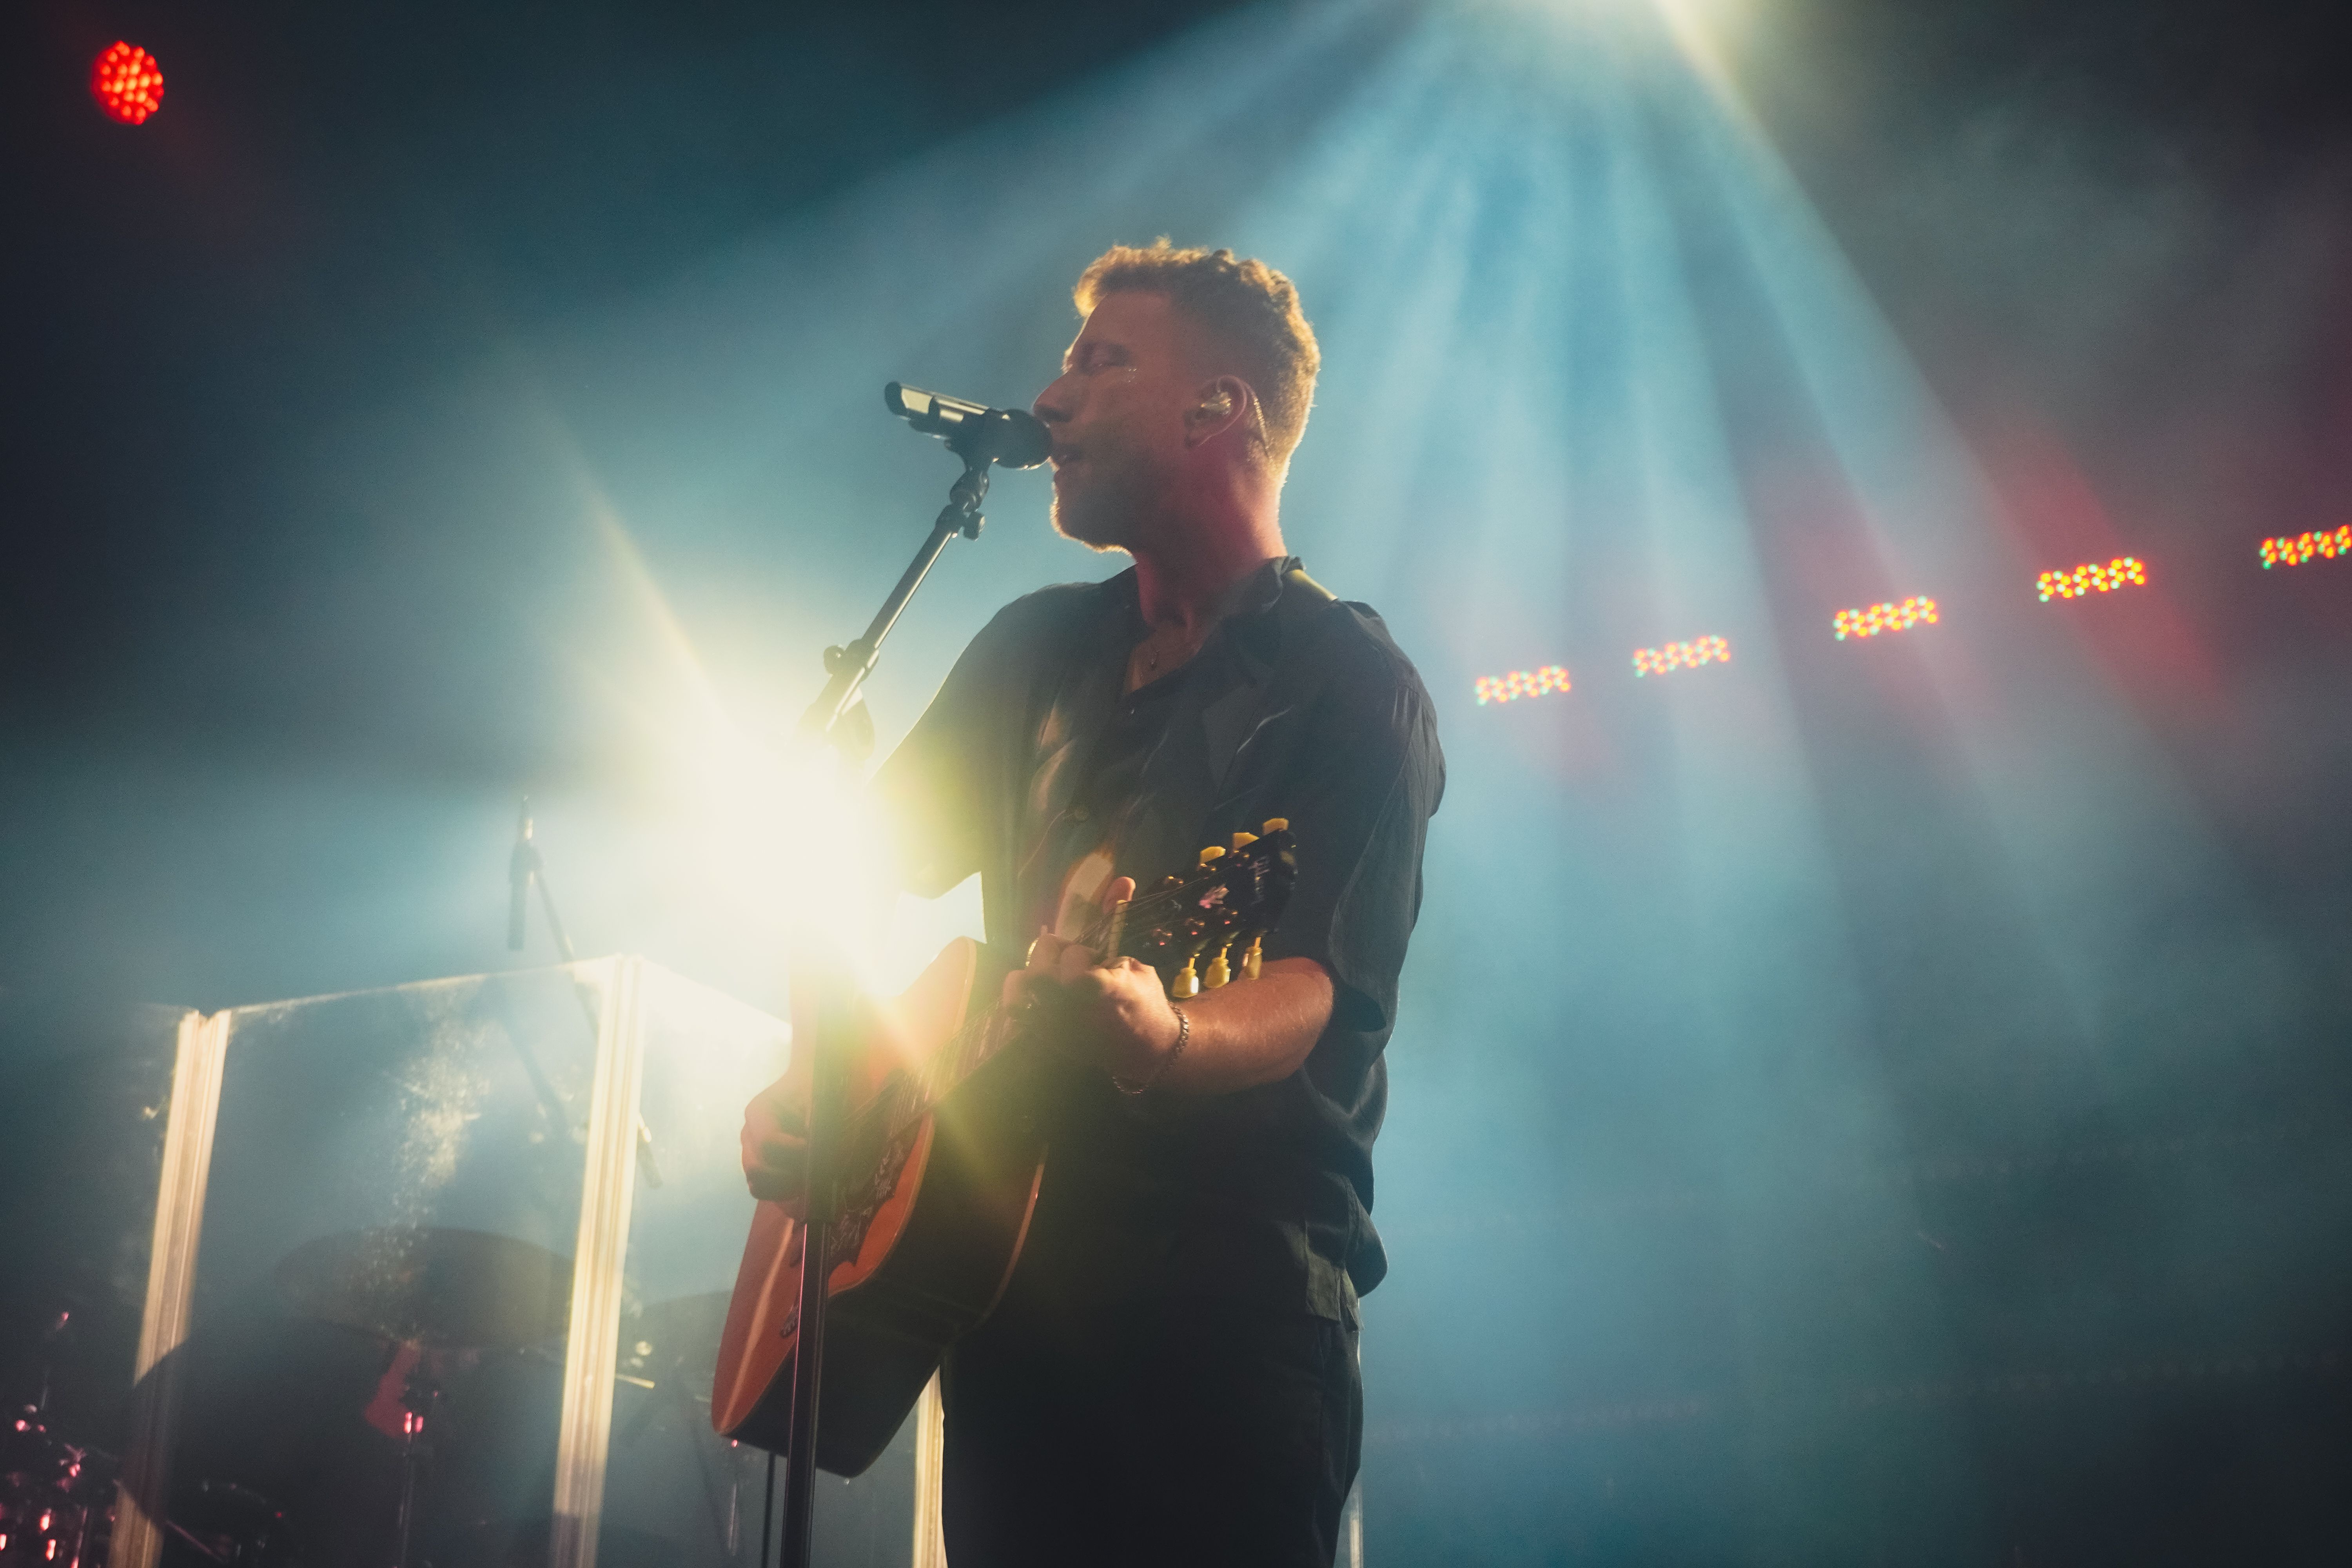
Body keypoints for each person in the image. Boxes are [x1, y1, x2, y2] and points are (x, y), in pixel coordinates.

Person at [741, 241, 1444, 1566]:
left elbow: (1315, 984)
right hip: (1006, 1292)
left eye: (1099, 362)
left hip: (1228, 1312)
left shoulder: (1352, 686)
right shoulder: (1034, 648)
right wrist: (816, 1070)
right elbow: (844, 865)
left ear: (1217, 406)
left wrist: (1163, 1035)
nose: (1051, 399)